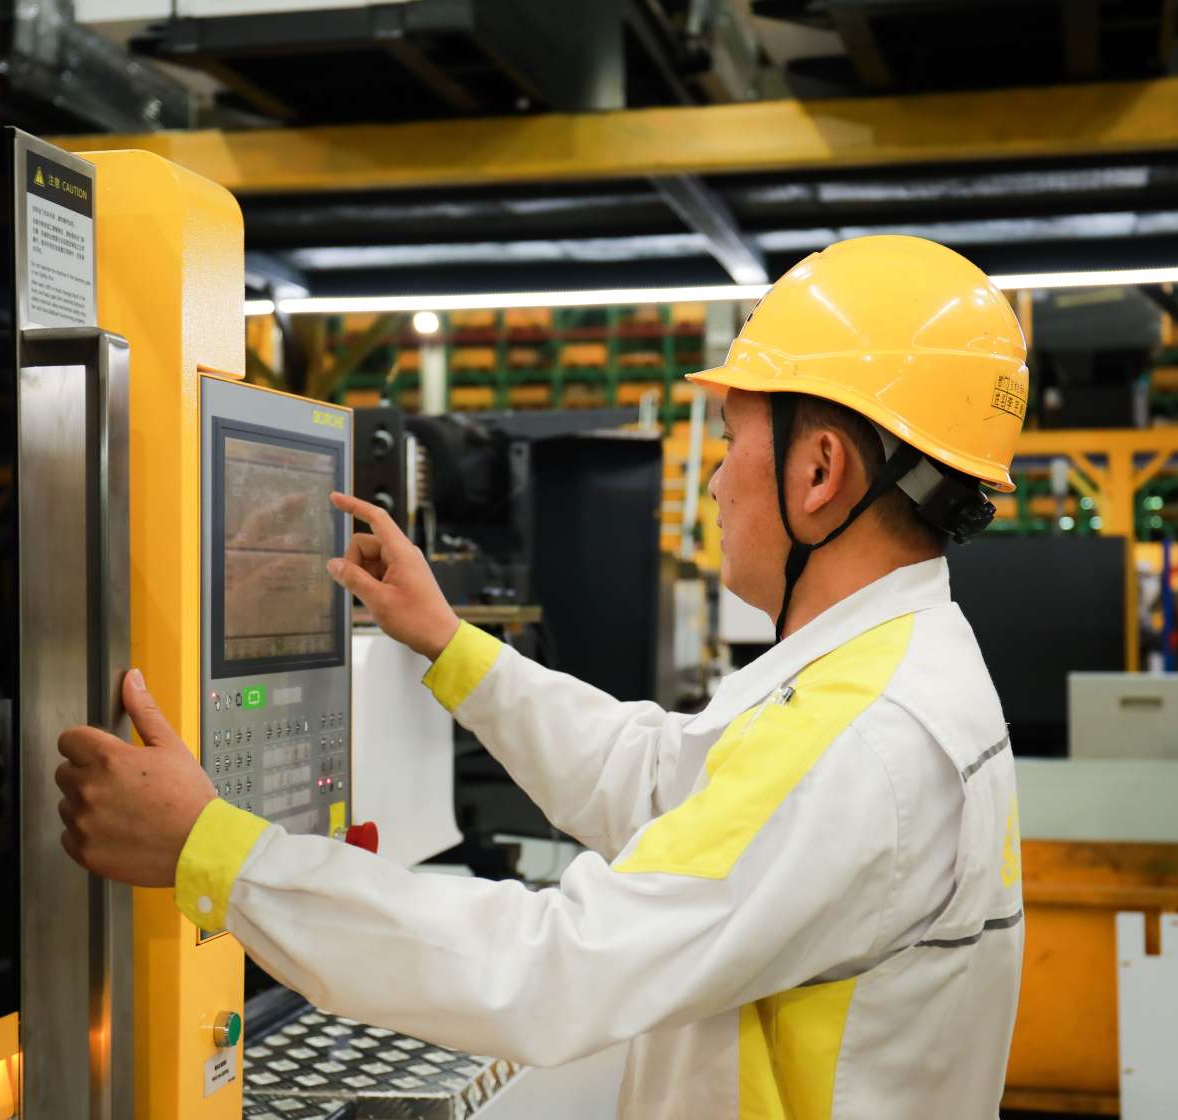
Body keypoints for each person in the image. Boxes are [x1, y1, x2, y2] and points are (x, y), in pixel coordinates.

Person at [56, 234, 1028, 1118]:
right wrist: (451, 645)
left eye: (732, 440)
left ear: (819, 472)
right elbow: (658, 783)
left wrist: (215, 853)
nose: (716, 480)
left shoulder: (863, 739)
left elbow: (554, 968)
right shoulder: (899, 670)